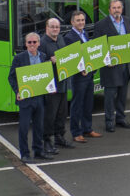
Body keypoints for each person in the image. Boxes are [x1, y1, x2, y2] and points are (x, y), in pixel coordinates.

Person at [8, 33, 52, 163]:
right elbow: (11, 77)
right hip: (26, 99)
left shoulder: (43, 57)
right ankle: (25, 154)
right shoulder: (19, 58)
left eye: (34, 42)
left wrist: (50, 87)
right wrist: (17, 91)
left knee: (39, 126)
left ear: (39, 43)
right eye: (29, 42)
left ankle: (38, 151)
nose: (32, 45)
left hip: (39, 98)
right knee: (24, 127)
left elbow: (46, 76)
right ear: (26, 44)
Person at [92, 0, 130, 133]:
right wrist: (105, 60)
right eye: (114, 8)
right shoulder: (101, 25)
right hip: (110, 67)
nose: (117, 10)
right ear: (109, 10)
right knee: (110, 97)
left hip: (125, 65)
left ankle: (121, 118)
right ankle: (109, 121)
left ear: (122, 9)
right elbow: (98, 45)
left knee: (123, 95)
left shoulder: (127, 21)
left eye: (119, 7)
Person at [64, 11, 100, 143]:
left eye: (83, 20)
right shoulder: (69, 37)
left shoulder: (84, 34)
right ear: (72, 22)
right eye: (78, 20)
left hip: (89, 74)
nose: (81, 22)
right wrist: (80, 70)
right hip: (79, 77)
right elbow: (71, 59)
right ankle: (76, 132)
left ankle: (87, 129)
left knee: (88, 103)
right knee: (77, 105)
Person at [39, 17, 72, 155]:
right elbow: (37, 65)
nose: (55, 29)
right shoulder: (41, 43)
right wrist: (49, 62)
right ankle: (46, 141)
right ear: (47, 28)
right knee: (49, 115)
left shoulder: (61, 39)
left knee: (62, 113)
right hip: (50, 86)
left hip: (62, 83)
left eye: (57, 27)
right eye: (52, 27)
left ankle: (59, 136)